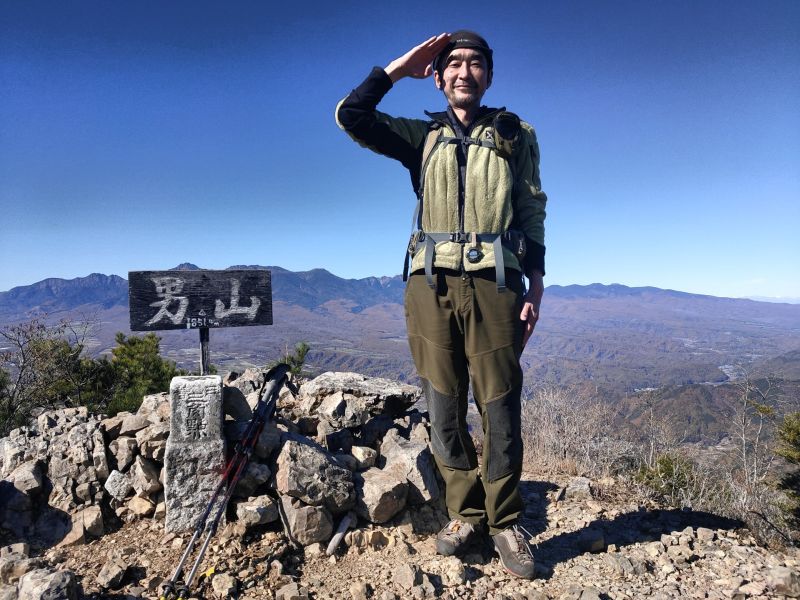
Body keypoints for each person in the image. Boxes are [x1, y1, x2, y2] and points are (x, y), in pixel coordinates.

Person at [335, 31, 547, 579]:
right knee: (442, 402)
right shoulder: (421, 136)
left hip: (498, 284)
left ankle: (504, 521)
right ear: (438, 75)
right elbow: (352, 115)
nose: (464, 72)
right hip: (428, 286)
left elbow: (531, 208)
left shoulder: (515, 134)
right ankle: (464, 512)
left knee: (499, 402)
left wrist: (537, 285)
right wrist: (398, 69)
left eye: (476, 64)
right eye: (453, 64)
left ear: (489, 76)